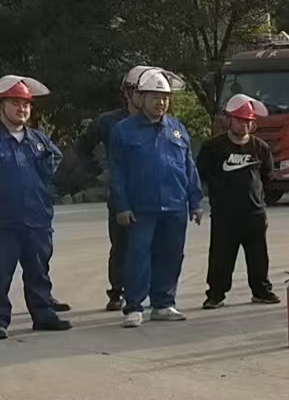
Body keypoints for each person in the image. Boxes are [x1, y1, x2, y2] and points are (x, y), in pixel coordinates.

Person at [0, 76, 73, 341]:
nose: (22, 109)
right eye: (15, 103)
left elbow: (53, 164)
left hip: (37, 218)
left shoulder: (39, 140)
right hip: (0, 220)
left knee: (39, 270)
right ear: (0, 106)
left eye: (26, 104)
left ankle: (43, 314)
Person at [109, 68, 201, 328]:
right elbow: (117, 172)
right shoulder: (123, 131)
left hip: (175, 206)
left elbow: (189, 167)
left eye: (165, 98)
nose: (161, 102)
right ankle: (134, 306)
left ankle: (163, 303)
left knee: (171, 255)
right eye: (155, 97)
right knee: (137, 257)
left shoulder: (177, 129)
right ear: (141, 98)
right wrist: (121, 206)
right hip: (141, 207)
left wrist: (195, 201)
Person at [75, 67, 149, 311]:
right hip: (120, 191)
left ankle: (149, 290)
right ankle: (117, 291)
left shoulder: (157, 120)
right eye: (139, 91)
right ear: (126, 92)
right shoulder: (108, 121)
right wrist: (97, 172)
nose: (144, 96)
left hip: (151, 192)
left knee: (151, 243)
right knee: (121, 245)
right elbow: (82, 147)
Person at [197, 95, 279, 309]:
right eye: (240, 120)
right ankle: (216, 294)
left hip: (254, 214)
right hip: (225, 215)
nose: (245, 125)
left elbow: (268, 177)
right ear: (229, 120)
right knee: (221, 257)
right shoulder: (213, 148)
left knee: (258, 256)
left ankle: (261, 291)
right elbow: (203, 173)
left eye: (249, 121)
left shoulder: (260, 147)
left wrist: (260, 201)